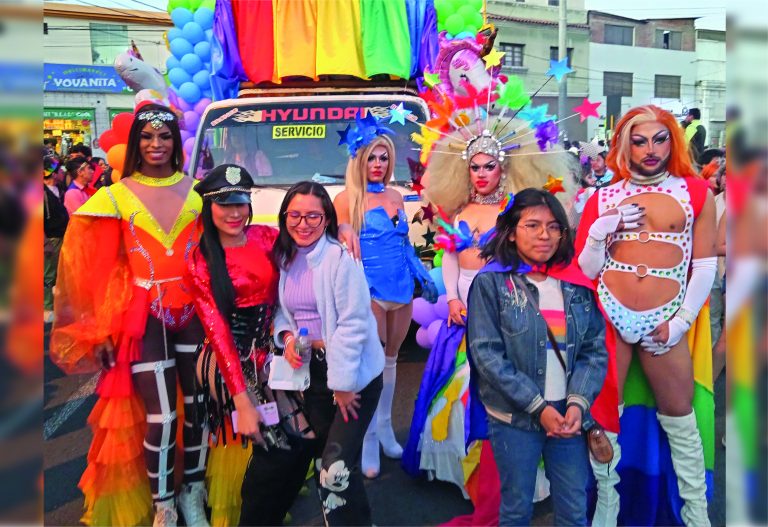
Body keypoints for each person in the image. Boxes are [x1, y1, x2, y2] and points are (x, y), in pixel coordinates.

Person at [51, 104, 211, 527]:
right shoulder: (114, 197)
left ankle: (194, 492)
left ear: (176, 142)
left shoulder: (197, 191)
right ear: (135, 144)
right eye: (147, 137)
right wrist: (98, 329)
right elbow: (92, 269)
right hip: (146, 317)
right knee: (162, 415)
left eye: (164, 137)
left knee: (199, 407)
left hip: (194, 313)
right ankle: (164, 503)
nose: (156, 145)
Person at [576, 105, 716, 526]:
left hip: (666, 321)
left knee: (681, 418)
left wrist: (680, 322)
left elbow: (705, 265)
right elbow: (585, 271)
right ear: (624, 145)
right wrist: (602, 229)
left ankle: (697, 515)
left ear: (672, 141)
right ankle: (605, 510)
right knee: (604, 419)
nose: (650, 149)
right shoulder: (600, 197)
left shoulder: (696, 192)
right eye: (639, 140)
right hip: (609, 317)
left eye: (659, 139)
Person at [185, 164, 315, 526]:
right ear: (209, 208)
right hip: (225, 360)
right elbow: (219, 335)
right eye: (224, 204)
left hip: (269, 353)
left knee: (303, 442)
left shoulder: (264, 237)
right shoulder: (200, 261)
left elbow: (311, 242)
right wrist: (243, 402)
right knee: (274, 449)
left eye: (240, 203)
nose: (234, 212)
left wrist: (345, 228)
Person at [468, 188, 608, 526]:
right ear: (512, 232)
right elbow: (486, 355)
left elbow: (594, 349)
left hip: (568, 416)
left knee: (574, 511)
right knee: (516, 509)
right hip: (516, 420)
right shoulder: (492, 284)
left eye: (553, 226)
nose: (544, 234)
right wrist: (538, 407)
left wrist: (577, 404)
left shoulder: (576, 284)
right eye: (532, 225)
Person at [273, 181, 384, 526]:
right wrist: (288, 337)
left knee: (334, 469)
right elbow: (280, 310)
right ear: (284, 217)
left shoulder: (339, 258)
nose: (303, 224)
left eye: (313, 217)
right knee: (331, 464)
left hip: (354, 376)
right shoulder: (284, 256)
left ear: (327, 220)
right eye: (295, 215)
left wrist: (343, 384)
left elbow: (354, 324)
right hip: (313, 373)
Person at [334, 131, 436, 478]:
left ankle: (388, 429)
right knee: (372, 366)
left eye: (383, 158)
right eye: (372, 158)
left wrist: (421, 275)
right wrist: (344, 230)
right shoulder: (347, 198)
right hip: (370, 291)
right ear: (359, 160)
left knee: (391, 361)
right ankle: (367, 439)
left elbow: (404, 243)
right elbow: (340, 238)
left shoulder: (396, 195)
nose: (378, 164)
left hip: (401, 289)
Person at [43, 155, 68, 322]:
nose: (62, 173)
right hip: (50, 239)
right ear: (52, 173)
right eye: (59, 170)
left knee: (59, 274)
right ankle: (47, 307)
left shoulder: (60, 190)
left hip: (62, 237)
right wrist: (44, 243)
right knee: (48, 275)